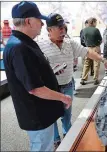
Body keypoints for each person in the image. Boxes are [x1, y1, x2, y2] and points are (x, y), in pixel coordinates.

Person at [37, 13, 107, 149]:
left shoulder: (70, 43)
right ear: (49, 30)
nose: (63, 30)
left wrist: (103, 61)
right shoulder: (40, 45)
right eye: (59, 28)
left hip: (67, 86)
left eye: (63, 27)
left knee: (66, 114)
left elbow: (88, 52)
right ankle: (55, 140)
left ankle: (68, 135)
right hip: (50, 89)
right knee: (52, 116)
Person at [3, 1, 72, 151]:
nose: (42, 24)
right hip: (37, 113)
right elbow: (35, 89)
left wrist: (50, 72)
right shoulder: (20, 48)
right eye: (39, 20)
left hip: (39, 111)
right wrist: (63, 97)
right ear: (28, 21)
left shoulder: (23, 43)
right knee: (42, 147)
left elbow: (28, 75)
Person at [81, 17, 102, 85]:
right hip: (96, 48)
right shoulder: (96, 30)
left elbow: (82, 40)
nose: (96, 24)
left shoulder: (84, 30)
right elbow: (100, 39)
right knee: (96, 64)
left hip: (87, 48)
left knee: (86, 64)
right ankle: (95, 79)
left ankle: (83, 79)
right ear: (93, 22)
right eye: (95, 22)